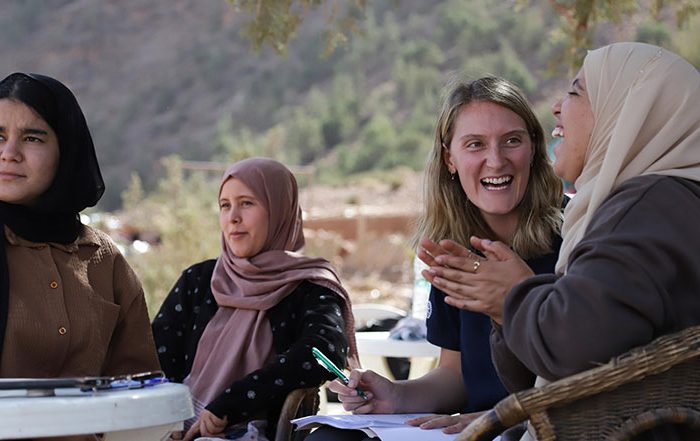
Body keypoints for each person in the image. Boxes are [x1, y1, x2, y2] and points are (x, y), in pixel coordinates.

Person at [434, 43, 700, 440]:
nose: (557, 107)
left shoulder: (646, 208)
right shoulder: (652, 203)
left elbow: (574, 350)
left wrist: (514, 295)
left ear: (625, 111)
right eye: (474, 144)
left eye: (576, 92)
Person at [307, 76, 565, 441]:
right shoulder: (450, 250)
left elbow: (589, 369)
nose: (496, 160)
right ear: (450, 159)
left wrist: (501, 417)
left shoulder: (575, 235)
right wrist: (395, 395)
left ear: (534, 147)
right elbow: (456, 375)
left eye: (512, 141)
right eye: (475, 144)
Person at [151, 157, 359, 441]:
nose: (233, 217)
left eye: (247, 203)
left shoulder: (308, 287)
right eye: (225, 205)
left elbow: (323, 353)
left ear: (279, 211)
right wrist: (167, 417)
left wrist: (230, 405)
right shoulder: (199, 281)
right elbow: (155, 357)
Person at [0, 72, 160, 440]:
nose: (9, 153)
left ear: (66, 150)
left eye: (32, 137)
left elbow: (138, 388)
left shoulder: (103, 261)